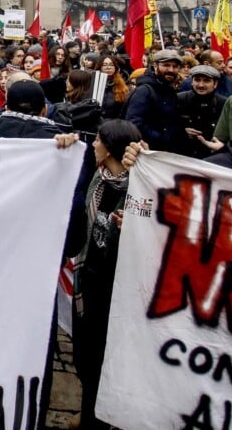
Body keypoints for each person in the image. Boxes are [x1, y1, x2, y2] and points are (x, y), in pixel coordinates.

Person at [68, 119, 143, 430]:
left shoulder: (143, 189)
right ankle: (90, 412)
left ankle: (99, 420)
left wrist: (137, 226)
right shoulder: (95, 180)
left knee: (108, 359)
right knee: (86, 357)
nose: (93, 145)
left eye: (98, 141)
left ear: (109, 147)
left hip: (122, 288)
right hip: (91, 278)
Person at [124, 49, 184, 152]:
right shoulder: (144, 91)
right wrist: (161, 137)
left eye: (175, 66)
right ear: (155, 65)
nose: (171, 70)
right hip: (149, 151)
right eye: (166, 65)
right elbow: (134, 123)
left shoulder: (169, 90)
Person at [176, 64, 226, 158]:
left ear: (215, 84)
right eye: (197, 80)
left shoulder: (224, 104)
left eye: (206, 81)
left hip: (212, 157)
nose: (201, 85)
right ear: (192, 82)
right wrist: (182, 131)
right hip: (184, 155)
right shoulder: (179, 99)